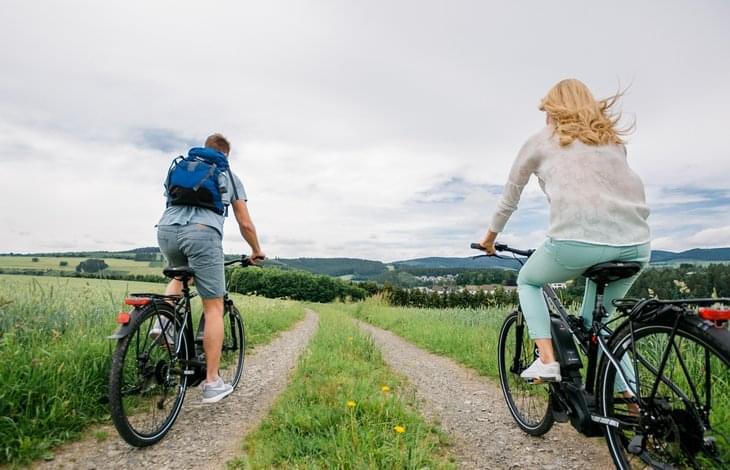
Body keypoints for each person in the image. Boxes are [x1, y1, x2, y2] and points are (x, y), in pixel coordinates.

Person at [479, 79, 651, 384]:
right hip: (637, 245)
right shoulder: (611, 141)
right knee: (600, 329)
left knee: (528, 280)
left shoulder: (542, 139)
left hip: (576, 241)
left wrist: (489, 239)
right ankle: (634, 405)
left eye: (547, 111)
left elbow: (510, 196)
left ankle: (547, 360)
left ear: (555, 110)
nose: (546, 118)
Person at [156, 133, 265, 403]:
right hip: (203, 234)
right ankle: (213, 381)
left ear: (203, 149)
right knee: (213, 307)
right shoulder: (226, 174)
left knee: (181, 274)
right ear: (225, 154)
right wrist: (256, 250)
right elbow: (245, 223)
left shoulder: (180, 168)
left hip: (167, 231)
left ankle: (162, 323)